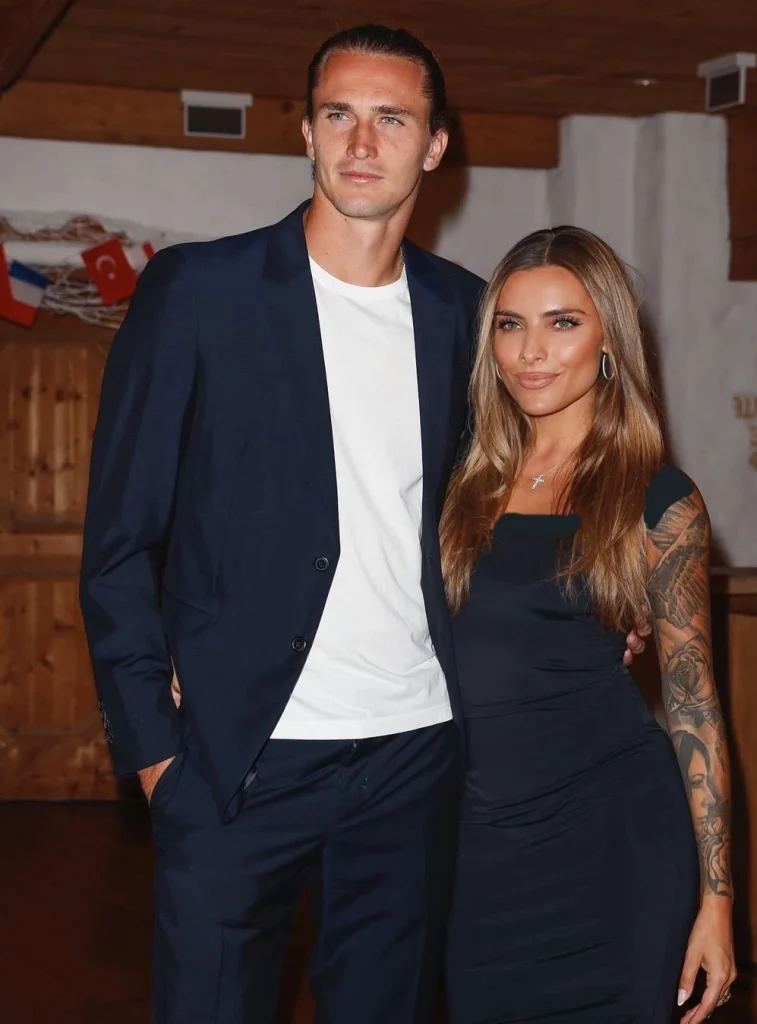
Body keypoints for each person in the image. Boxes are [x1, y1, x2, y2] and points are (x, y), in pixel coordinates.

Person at [79, 23, 646, 1024]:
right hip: (236, 759)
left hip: (416, 757)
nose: (362, 142)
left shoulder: (467, 315)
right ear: (306, 131)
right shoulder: (201, 293)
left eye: (392, 119)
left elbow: (526, 487)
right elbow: (120, 538)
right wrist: (159, 757)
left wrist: (606, 589)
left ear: (435, 145)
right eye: (338, 115)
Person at [441, 227, 737, 1024]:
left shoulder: (656, 497)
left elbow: (694, 706)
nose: (531, 352)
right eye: (510, 325)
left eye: (563, 322)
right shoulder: (459, 484)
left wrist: (716, 904)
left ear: (609, 340)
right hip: (480, 851)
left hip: (613, 842)